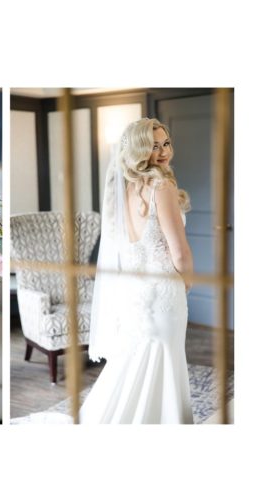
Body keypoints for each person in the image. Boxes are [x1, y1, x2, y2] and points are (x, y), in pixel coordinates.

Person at [83, 118, 194, 423]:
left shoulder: (128, 188)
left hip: (135, 294)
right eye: (153, 145)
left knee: (135, 362)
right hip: (165, 294)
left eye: (165, 143)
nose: (163, 152)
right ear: (139, 149)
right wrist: (187, 281)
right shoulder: (162, 186)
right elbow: (180, 251)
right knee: (165, 363)